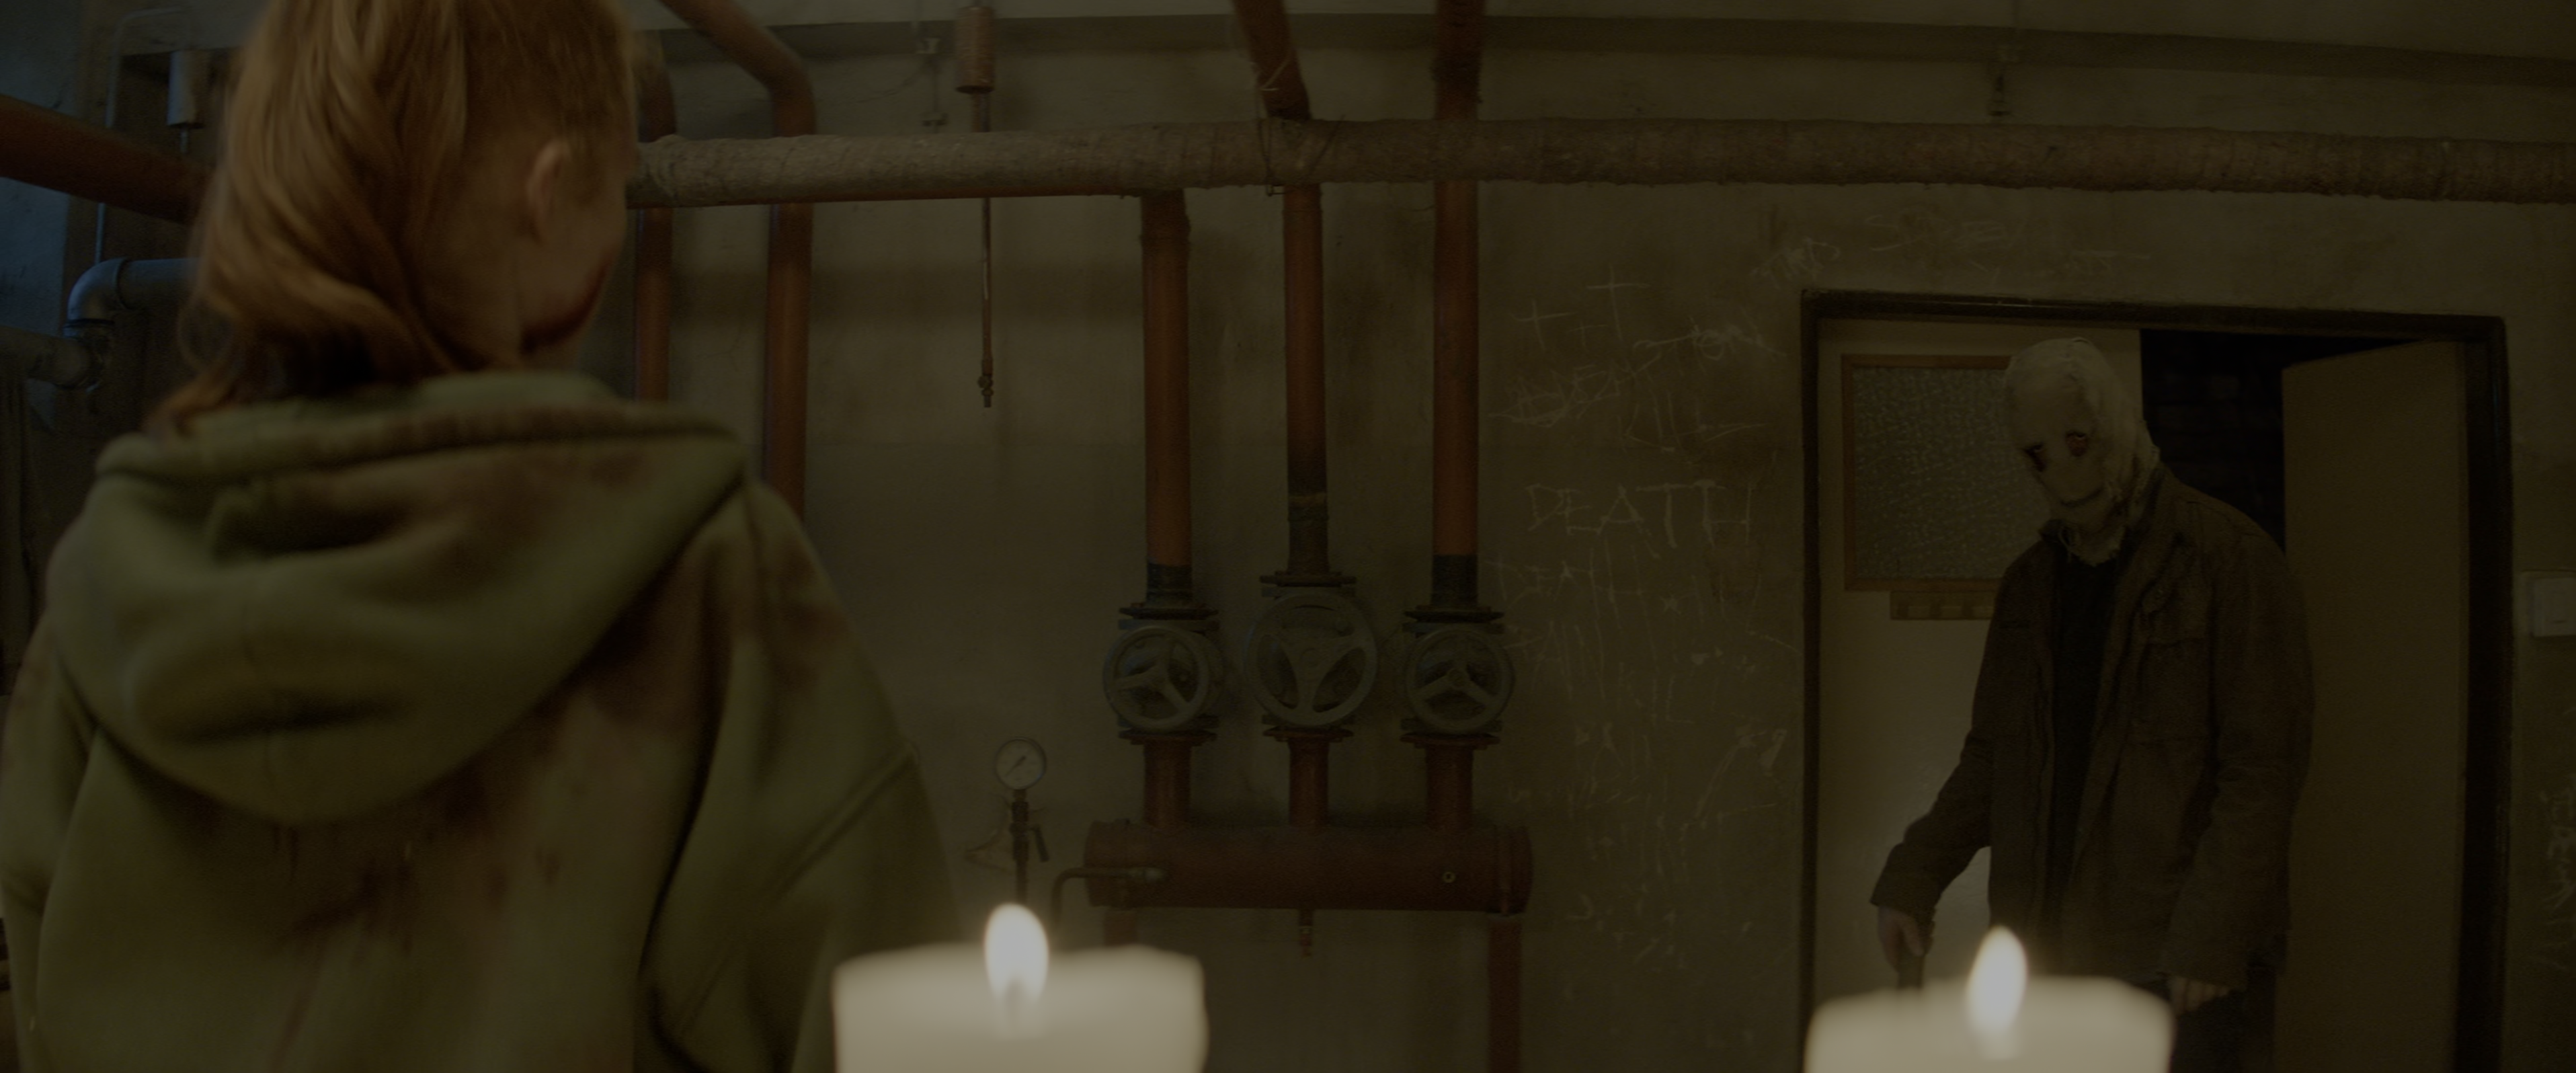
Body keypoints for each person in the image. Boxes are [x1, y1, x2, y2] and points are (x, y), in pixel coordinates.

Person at [0, 1, 957, 1070]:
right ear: (547, 201)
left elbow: (44, 1009)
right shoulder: (703, 575)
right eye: (614, 187)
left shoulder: (103, 588)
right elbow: (890, 1028)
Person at [1869, 339, 2312, 1072]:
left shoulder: (2229, 559)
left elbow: (2262, 770)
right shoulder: (2032, 583)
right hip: (2048, 950)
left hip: (2169, 957)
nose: (2061, 470)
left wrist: (2212, 936)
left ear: (2114, 424)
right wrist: (1915, 876)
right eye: (2037, 454)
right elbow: (1993, 756)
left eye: (2077, 441)